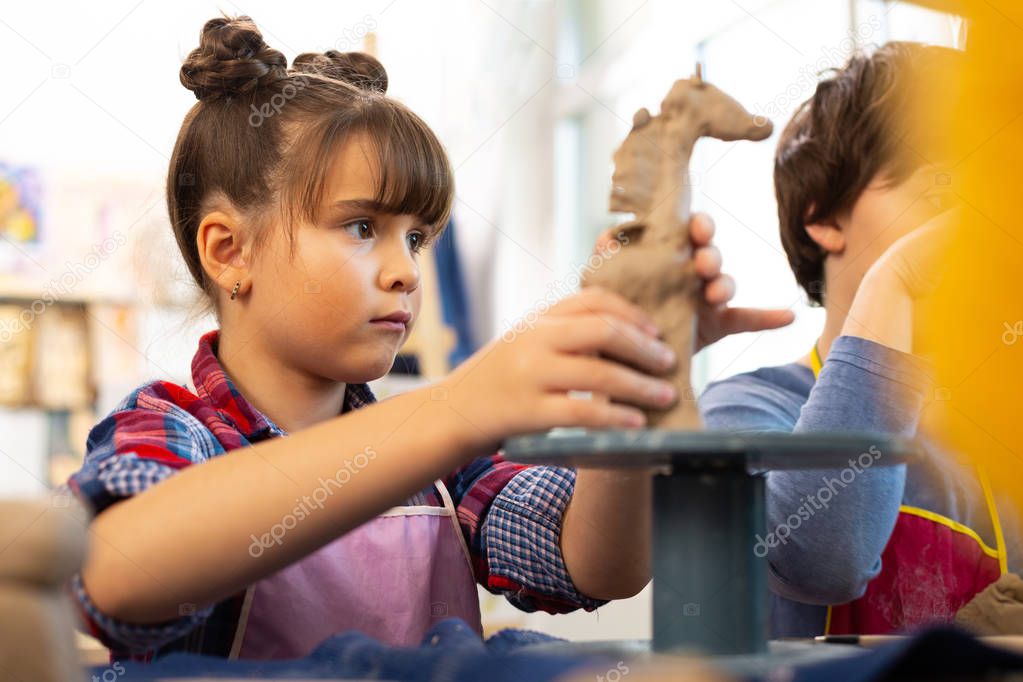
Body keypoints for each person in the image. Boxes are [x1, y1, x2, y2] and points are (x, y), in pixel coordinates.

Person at [65, 15, 787, 662]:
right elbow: (120, 570)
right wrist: (455, 408)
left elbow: (594, 565)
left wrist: (638, 376)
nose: (405, 272)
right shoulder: (169, 431)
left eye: (416, 237)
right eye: (360, 228)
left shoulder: (440, 468)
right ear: (229, 252)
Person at [698, 41, 1017, 637]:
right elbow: (822, 557)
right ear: (823, 219)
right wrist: (897, 280)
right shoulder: (746, 410)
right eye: (942, 195)